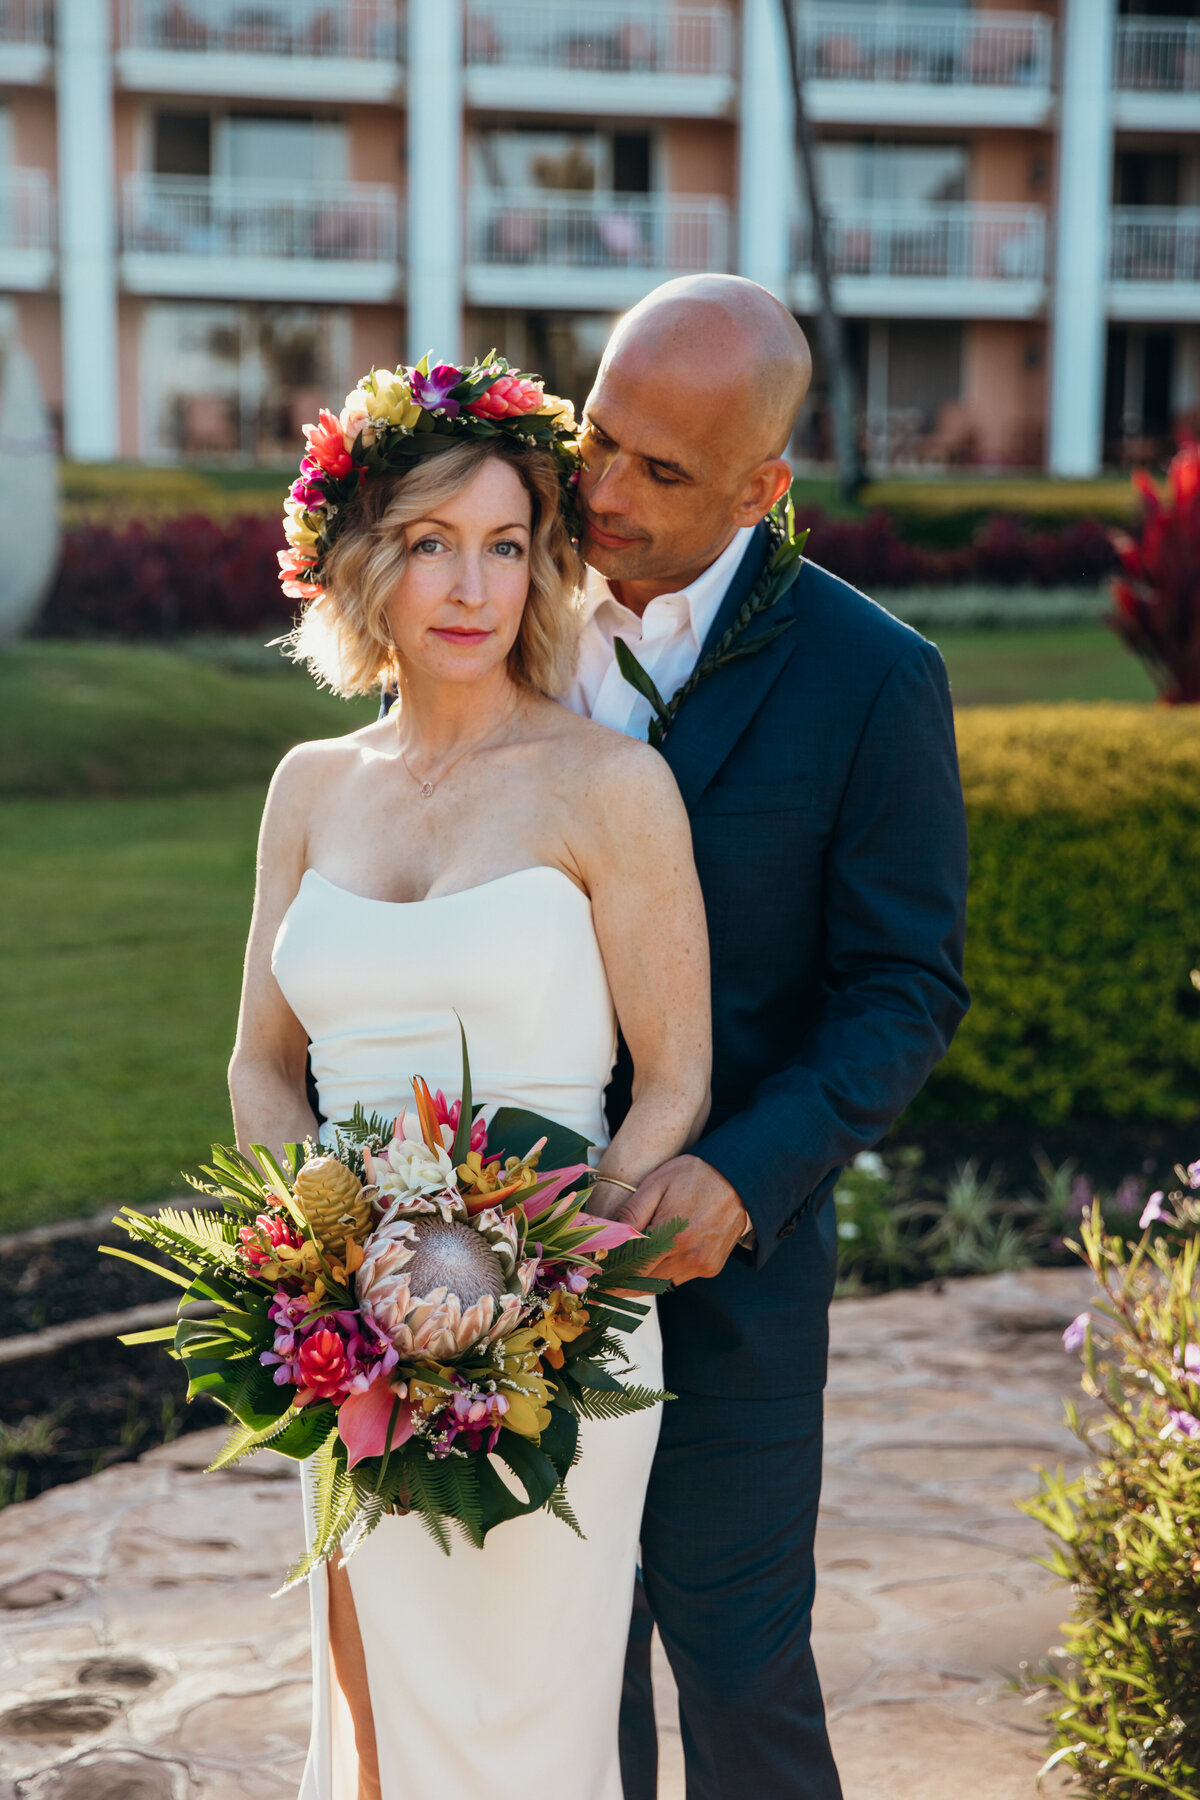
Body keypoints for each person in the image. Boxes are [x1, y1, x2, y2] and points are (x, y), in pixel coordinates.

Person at [228, 393, 712, 1799]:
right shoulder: (310, 788)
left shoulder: (610, 788)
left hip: (555, 1353)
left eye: (508, 547)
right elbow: (261, 1061)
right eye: (432, 541)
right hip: (351, 1345)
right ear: (363, 557)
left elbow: (674, 1076)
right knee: (375, 1734)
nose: (471, 586)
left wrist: (548, 1287)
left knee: (527, 1737)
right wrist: (319, 1254)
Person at [565, 275, 971, 1800]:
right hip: (483, 1248)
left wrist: (742, 1179)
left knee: (738, 1678)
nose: (604, 493)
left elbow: (905, 986)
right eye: (598, 439)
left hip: (725, 1273)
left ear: (763, 485)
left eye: (662, 473)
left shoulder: (874, 679)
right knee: (557, 1671)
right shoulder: (497, 605)